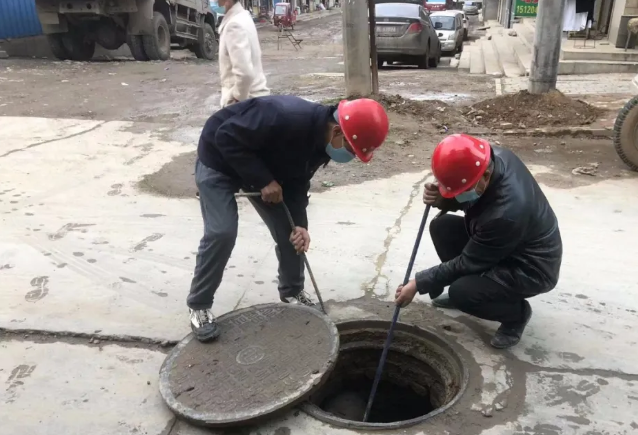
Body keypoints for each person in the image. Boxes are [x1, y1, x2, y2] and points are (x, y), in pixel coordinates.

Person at [188, 95, 390, 342]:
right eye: (351, 150)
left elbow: (297, 181)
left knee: (292, 233)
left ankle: (292, 291)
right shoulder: (284, 116)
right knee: (221, 232)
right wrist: (263, 180)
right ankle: (199, 305)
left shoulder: (322, 141)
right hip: (219, 158)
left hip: (262, 164)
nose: (351, 157)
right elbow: (226, 137)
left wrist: (301, 224)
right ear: (338, 131)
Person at [395, 134, 563, 349]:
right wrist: (443, 198)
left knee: (462, 293)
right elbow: (476, 199)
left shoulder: (507, 213)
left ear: (485, 175)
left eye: (463, 190)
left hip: (529, 267)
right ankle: (473, 288)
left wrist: (419, 283)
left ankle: (516, 315)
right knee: (442, 227)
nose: (460, 194)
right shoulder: (490, 158)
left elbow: (468, 261)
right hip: (502, 243)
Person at [211, 0, 269, 109]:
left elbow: (245, 74)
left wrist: (235, 99)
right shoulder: (243, 16)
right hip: (253, 100)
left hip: (246, 103)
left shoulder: (234, 25)